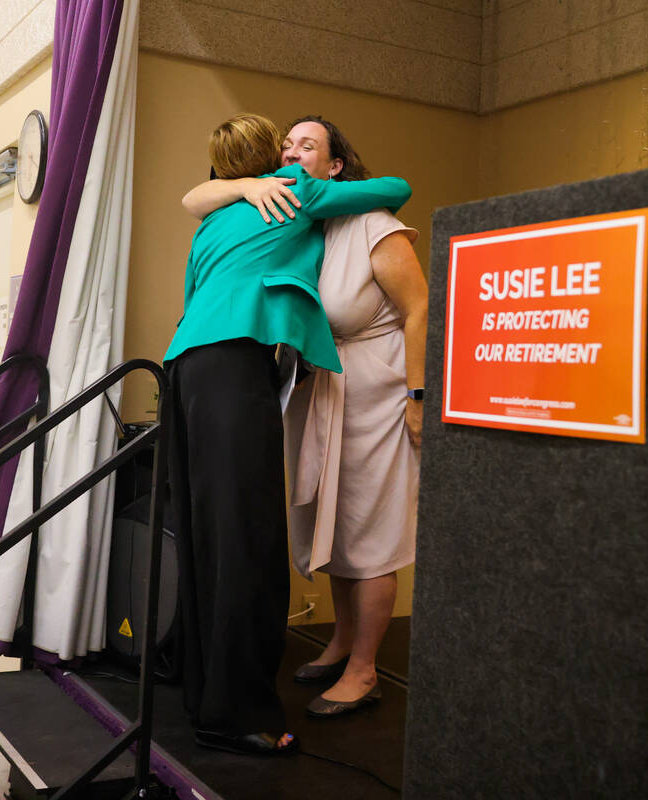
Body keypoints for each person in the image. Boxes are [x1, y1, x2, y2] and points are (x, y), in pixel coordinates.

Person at [167, 113, 411, 754]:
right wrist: (279, 181)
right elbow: (399, 185)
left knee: (207, 538)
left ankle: (203, 692)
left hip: (185, 366)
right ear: (268, 158)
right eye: (286, 146)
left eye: (306, 147)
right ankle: (239, 716)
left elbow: (193, 282)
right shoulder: (297, 191)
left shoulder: (214, 215)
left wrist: (237, 187)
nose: (293, 154)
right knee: (250, 542)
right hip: (236, 362)